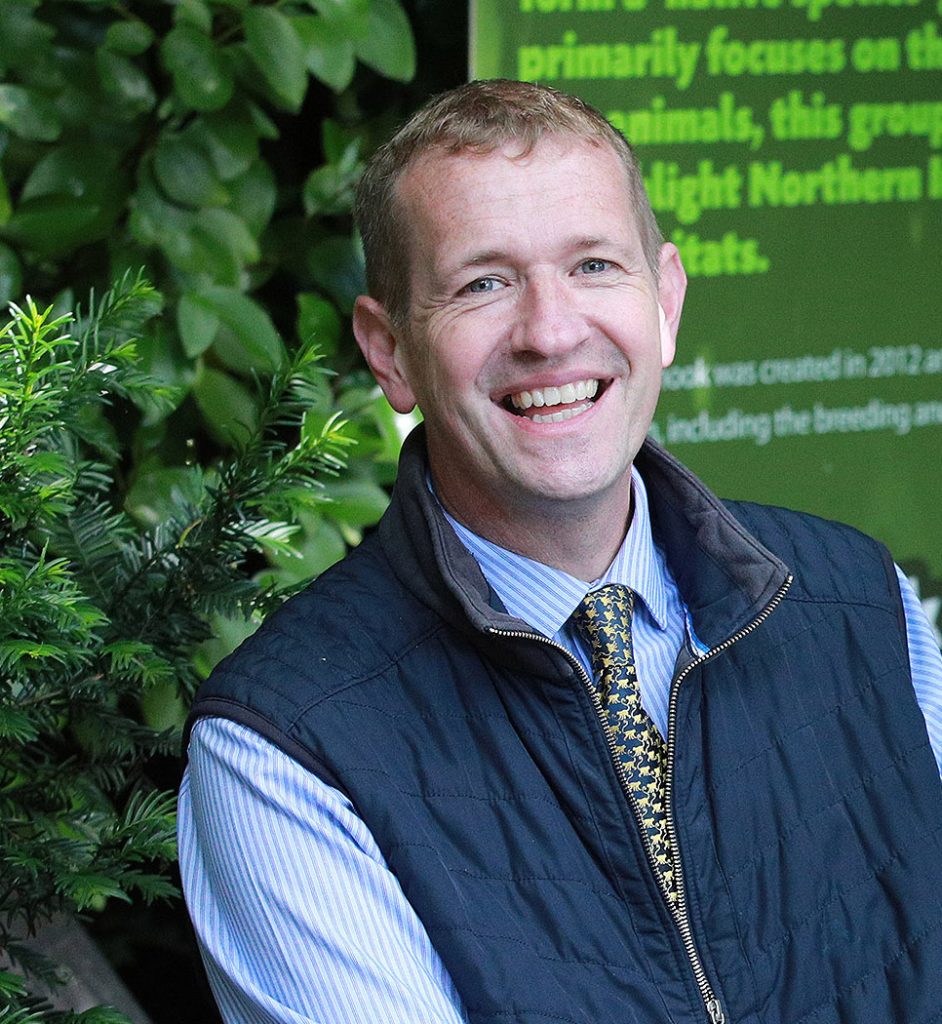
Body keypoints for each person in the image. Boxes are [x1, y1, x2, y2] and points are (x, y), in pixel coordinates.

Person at [178, 80, 942, 1024]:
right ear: (388, 354)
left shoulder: (861, 603)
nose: (549, 330)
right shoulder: (286, 749)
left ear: (663, 302)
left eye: (593, 267)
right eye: (483, 283)